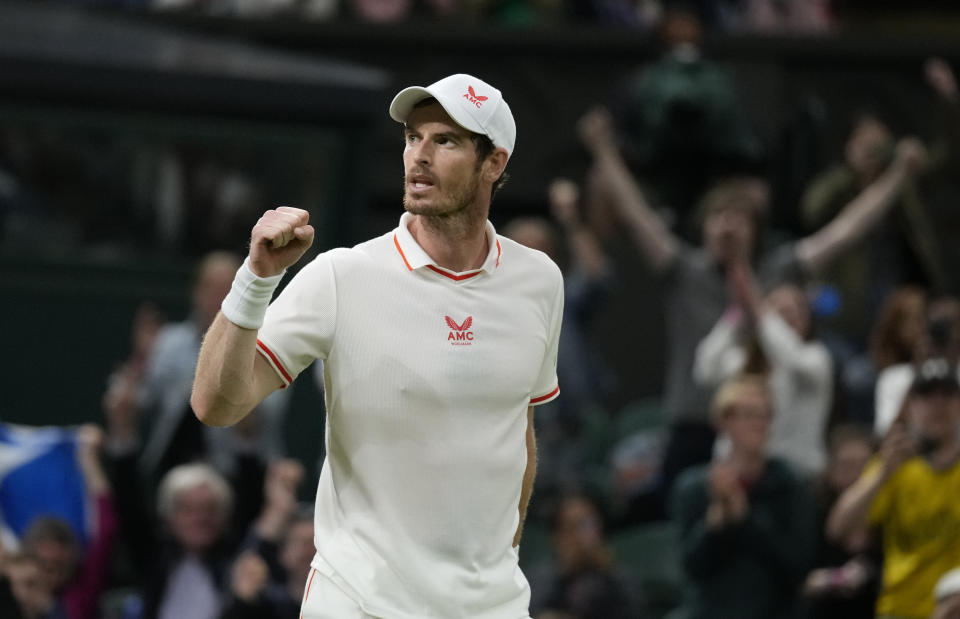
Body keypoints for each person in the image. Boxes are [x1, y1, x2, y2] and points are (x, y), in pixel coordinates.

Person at [191, 73, 564, 618]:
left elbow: (518, 433)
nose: (420, 156)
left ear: (494, 164)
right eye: (414, 137)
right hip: (358, 602)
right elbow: (215, 406)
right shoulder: (341, 277)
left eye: (447, 141)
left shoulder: (540, 281)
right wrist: (255, 279)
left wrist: (502, 554)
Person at [578, 105, 927, 493]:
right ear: (704, 226)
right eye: (718, 216)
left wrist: (898, 175)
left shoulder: (778, 271)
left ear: (755, 229)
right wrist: (603, 150)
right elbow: (636, 213)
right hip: (695, 423)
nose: (727, 225)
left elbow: (847, 230)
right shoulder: (684, 271)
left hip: (765, 433)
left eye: (738, 217)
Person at [669, 374, 815, 619]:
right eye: (748, 414)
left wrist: (746, 520)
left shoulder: (789, 483)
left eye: (765, 415)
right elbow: (692, 567)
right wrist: (716, 525)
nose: (759, 424)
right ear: (724, 421)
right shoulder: (694, 487)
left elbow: (799, 562)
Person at [828, 358, 960, 619]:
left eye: (947, 395)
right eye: (927, 396)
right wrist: (882, 475)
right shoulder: (894, 465)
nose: (938, 405)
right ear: (910, 406)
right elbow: (839, 529)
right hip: (900, 609)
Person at [694, 261, 832, 477]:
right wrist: (737, 313)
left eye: (797, 311)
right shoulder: (742, 361)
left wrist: (760, 309)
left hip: (799, 476)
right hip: (741, 474)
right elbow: (705, 369)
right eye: (781, 313)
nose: (790, 318)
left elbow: (790, 358)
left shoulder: (815, 358)